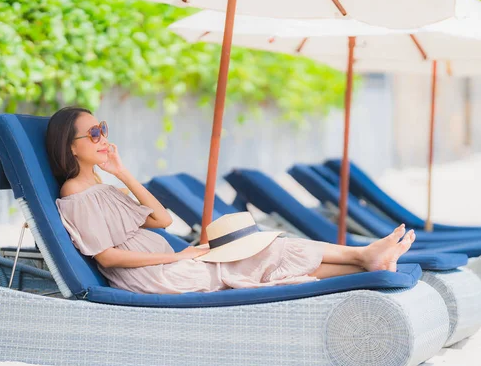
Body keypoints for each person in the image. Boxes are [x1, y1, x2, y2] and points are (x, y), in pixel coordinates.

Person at [46, 107, 416, 294]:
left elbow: (160, 220)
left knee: (270, 248)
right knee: (260, 256)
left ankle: (364, 260)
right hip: (153, 275)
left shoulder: (104, 185)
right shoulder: (75, 193)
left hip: (166, 264)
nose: (103, 138)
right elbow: (107, 257)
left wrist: (122, 173)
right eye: (93, 133)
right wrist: (175, 256)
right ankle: (364, 259)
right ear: (71, 147)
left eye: (103, 129)